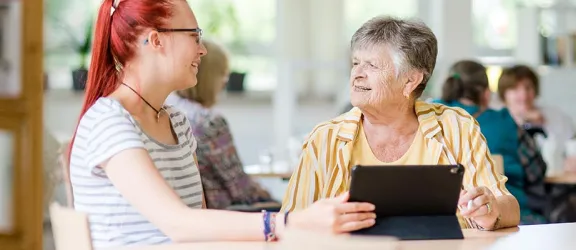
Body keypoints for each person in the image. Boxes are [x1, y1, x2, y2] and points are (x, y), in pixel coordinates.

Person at [67, 0, 375, 248]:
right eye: (194, 35)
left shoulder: (177, 122)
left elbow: (198, 227)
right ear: (156, 40)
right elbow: (178, 223)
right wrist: (293, 222)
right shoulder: (110, 121)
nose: (202, 49)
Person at [281, 16, 520, 231]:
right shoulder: (325, 138)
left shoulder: (456, 127)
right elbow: (290, 223)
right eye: (355, 63)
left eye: (371, 65)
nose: (357, 74)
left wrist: (491, 211)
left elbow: (509, 207)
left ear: (410, 80)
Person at [165, 40, 276, 210]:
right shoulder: (209, 122)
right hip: (225, 212)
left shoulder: (169, 109)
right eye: (223, 74)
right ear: (210, 78)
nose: (225, 81)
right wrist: (271, 198)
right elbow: (241, 189)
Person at [434, 60, 547, 224]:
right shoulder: (504, 121)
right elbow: (536, 170)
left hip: (444, 218)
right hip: (510, 216)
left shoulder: (428, 117)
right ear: (486, 94)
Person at [498, 65, 576, 172]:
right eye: (515, 89)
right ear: (504, 94)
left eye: (528, 88)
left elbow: (570, 145)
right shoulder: (498, 121)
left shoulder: (555, 115)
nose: (524, 95)